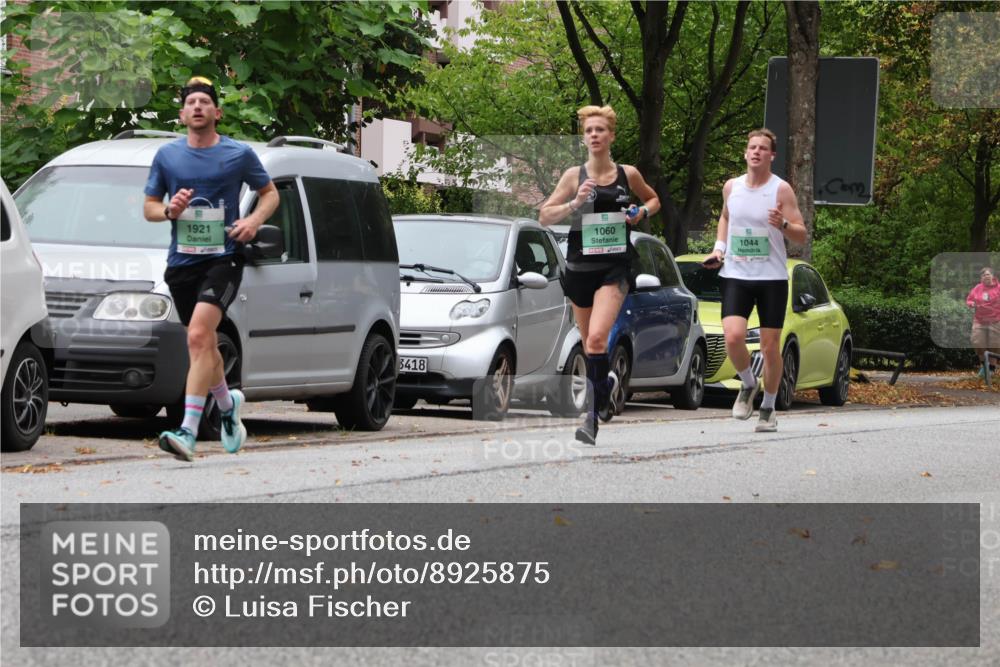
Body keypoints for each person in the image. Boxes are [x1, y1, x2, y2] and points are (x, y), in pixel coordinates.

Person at [143, 76, 279, 461]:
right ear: (183, 114)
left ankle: (186, 430)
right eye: (192, 102)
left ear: (217, 113)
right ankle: (228, 405)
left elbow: (270, 194)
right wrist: (169, 210)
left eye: (206, 101)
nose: (198, 106)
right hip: (182, 263)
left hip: (225, 259)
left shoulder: (238, 154)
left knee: (199, 335)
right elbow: (150, 207)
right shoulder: (167, 157)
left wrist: (252, 222)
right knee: (204, 344)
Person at [540, 105, 659, 444]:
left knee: (596, 339)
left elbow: (654, 200)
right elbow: (545, 216)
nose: (594, 135)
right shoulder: (572, 176)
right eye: (589, 130)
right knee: (588, 343)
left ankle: (591, 417)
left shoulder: (628, 174)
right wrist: (573, 204)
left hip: (615, 267)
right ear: (584, 138)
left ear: (611, 136)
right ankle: (604, 383)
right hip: (579, 268)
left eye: (600, 130)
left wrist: (639, 212)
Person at [702, 128, 807, 432]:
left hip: (771, 278)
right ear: (746, 153)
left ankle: (769, 407)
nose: (756, 152)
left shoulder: (780, 190)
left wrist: (783, 223)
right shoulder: (731, 187)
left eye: (763, 148)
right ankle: (748, 384)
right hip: (736, 273)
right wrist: (719, 249)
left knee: (770, 346)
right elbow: (725, 217)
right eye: (752, 147)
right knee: (733, 336)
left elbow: (801, 234)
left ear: (772, 155)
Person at [966, 266, 1000, 379]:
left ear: (993, 276)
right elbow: (969, 299)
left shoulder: (998, 288)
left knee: (994, 344)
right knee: (977, 342)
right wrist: (971, 304)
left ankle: (991, 368)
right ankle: (984, 366)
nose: (986, 276)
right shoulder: (978, 288)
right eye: (984, 275)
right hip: (980, 320)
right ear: (981, 277)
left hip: (995, 320)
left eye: (988, 274)